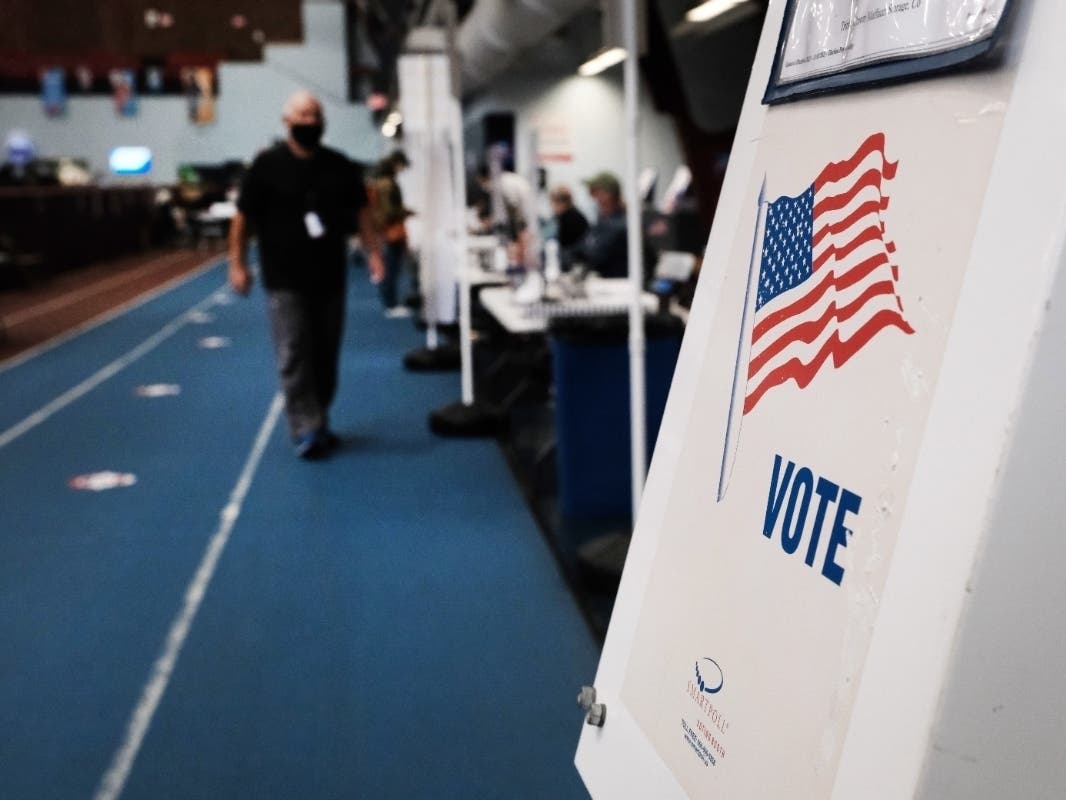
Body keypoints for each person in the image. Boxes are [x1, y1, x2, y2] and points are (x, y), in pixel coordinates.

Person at [228, 90, 384, 460]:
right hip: (283, 278)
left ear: (323, 122)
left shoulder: (340, 166)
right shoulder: (265, 167)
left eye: (314, 116)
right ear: (287, 122)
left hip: (330, 276)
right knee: (294, 351)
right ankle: (306, 427)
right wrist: (237, 263)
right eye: (302, 116)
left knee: (325, 356)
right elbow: (242, 219)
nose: (309, 122)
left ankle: (320, 416)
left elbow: (362, 212)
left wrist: (374, 252)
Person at [368, 149, 413, 318]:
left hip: (385, 231)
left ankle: (390, 302)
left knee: (389, 267)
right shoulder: (387, 184)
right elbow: (389, 210)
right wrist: (405, 212)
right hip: (392, 230)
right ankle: (391, 303)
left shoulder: (379, 182)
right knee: (391, 268)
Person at [574, 171, 630, 279]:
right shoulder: (603, 220)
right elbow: (581, 247)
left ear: (607, 195)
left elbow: (594, 255)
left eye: (593, 192)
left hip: (617, 286)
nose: (591, 197)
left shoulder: (619, 225)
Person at [548, 185, 588, 269]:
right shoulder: (574, 214)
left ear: (561, 203)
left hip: (573, 261)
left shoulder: (569, 218)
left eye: (553, 203)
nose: (552, 207)